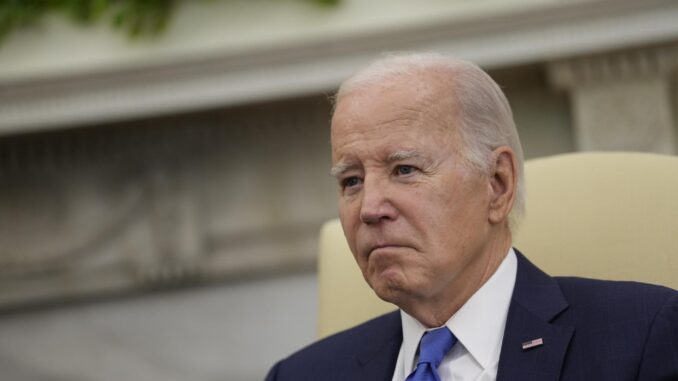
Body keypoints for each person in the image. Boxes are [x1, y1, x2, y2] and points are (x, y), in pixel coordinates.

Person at [264, 53, 678, 381]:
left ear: (497, 184)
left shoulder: (643, 337)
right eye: (352, 181)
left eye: (404, 170)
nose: (370, 208)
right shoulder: (299, 375)